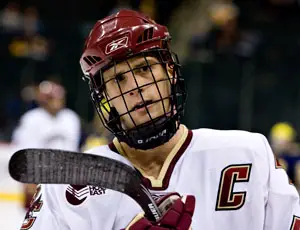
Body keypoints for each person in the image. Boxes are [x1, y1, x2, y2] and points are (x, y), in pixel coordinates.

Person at [20, 10, 300, 230]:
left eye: (144, 69)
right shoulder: (65, 187)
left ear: (170, 73)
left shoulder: (248, 155)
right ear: (104, 98)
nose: (136, 88)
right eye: (118, 79)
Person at [12, 80, 81, 210]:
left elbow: (74, 149)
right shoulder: (31, 119)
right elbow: (24, 149)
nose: (57, 102)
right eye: (52, 98)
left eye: (59, 98)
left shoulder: (71, 118)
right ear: (43, 100)